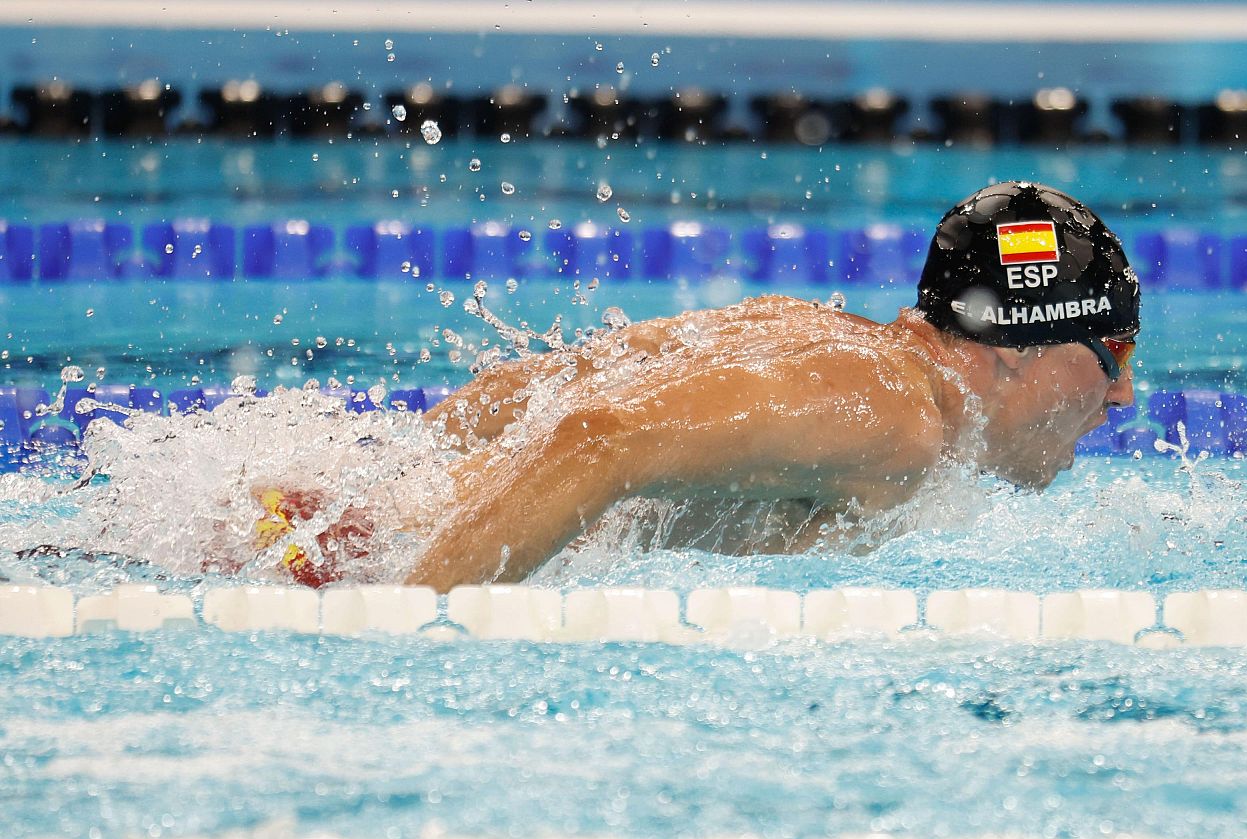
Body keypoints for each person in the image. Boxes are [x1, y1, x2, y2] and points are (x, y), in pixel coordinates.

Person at [252, 181, 1140, 590]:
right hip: (370, 575)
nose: (1123, 395)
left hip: (323, 535)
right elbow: (598, 438)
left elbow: (543, 384)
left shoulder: (811, 332)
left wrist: (384, 490)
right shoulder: (892, 416)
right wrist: (404, 629)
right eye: (1112, 353)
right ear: (1020, 344)